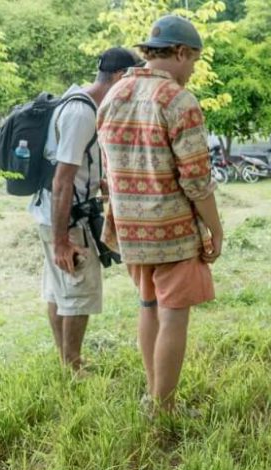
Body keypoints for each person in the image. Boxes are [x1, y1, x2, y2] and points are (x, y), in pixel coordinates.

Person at [97, 16, 222, 414]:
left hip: (130, 229)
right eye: (194, 62)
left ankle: (153, 398)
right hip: (172, 229)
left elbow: (110, 168)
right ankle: (164, 407)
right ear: (181, 53)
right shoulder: (178, 101)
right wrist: (215, 230)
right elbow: (197, 181)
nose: (192, 71)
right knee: (172, 316)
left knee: (147, 306)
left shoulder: (115, 95)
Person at [30, 47, 142, 372]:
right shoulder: (81, 113)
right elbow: (63, 180)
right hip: (65, 217)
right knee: (78, 291)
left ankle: (67, 362)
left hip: (55, 212)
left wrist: (99, 185)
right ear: (121, 77)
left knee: (59, 291)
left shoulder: (77, 100)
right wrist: (63, 240)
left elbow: (72, 169)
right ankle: (75, 367)